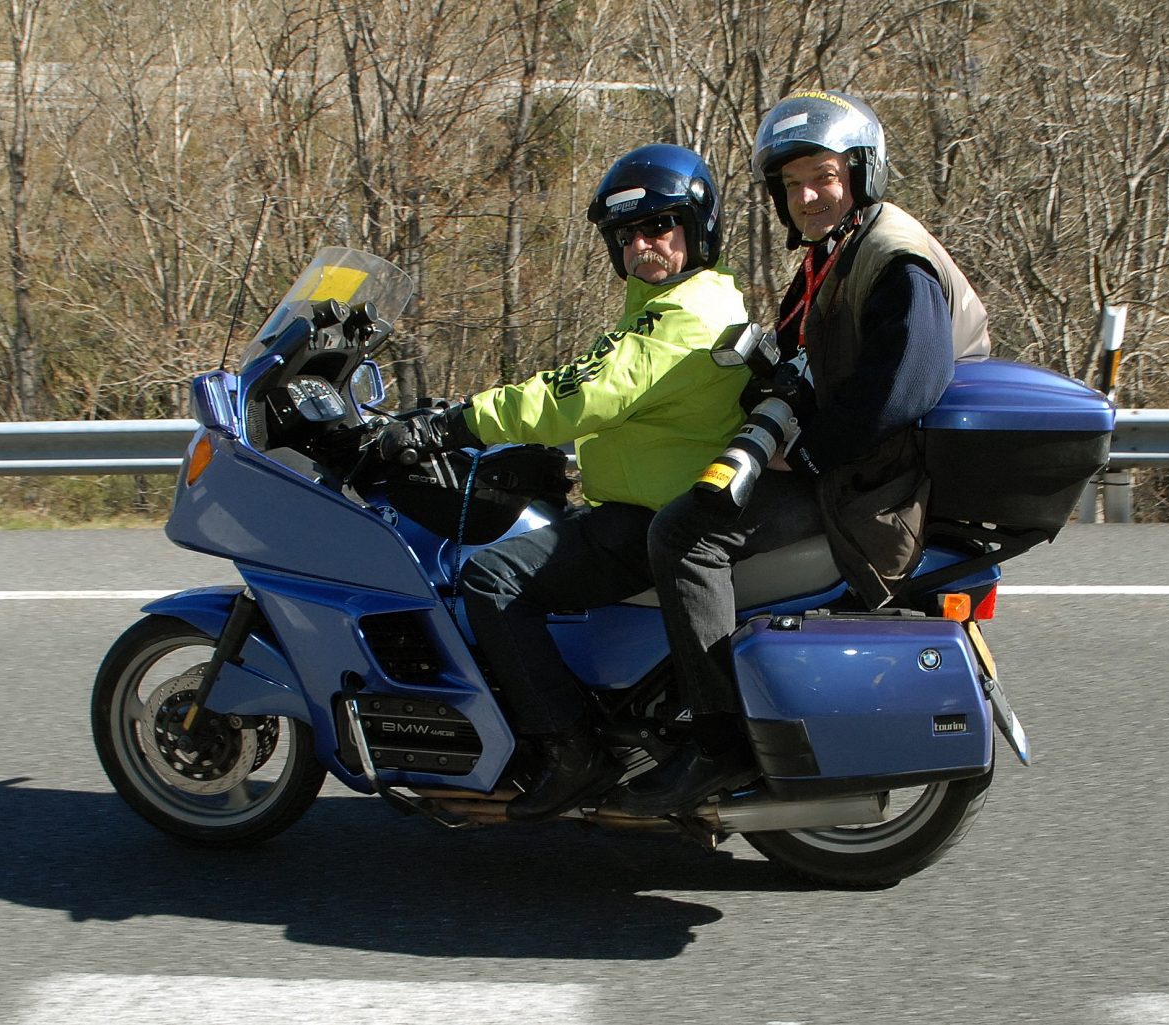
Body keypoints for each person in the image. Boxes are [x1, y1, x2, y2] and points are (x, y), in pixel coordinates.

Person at [620, 90, 991, 815]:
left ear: (860, 173)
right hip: (860, 467)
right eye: (791, 185)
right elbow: (801, 353)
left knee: (686, 532)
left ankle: (719, 739)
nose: (808, 196)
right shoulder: (838, 251)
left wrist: (810, 455)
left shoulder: (893, 258)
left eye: (822, 177)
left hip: (872, 484)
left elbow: (903, 387)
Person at [369, 144, 753, 821]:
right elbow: (615, 402)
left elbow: (579, 395)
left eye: (660, 227)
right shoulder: (665, 307)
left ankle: (571, 749)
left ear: (698, 229)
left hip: (651, 519)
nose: (643, 245)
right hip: (646, 501)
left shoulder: (682, 317)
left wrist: (454, 425)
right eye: (628, 234)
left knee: (489, 578)